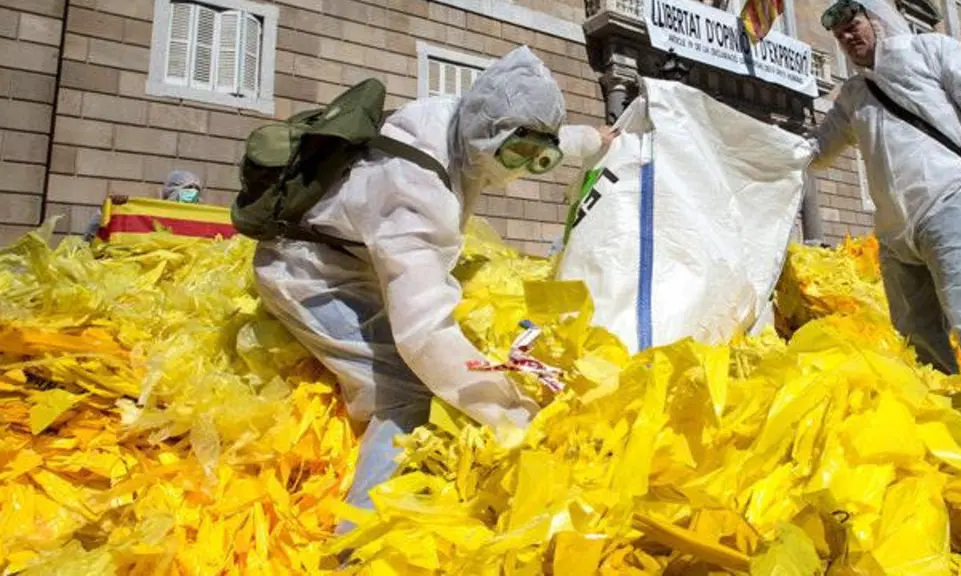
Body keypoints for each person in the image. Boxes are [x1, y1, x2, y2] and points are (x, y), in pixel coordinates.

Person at [252, 46, 611, 528]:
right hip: (307, 271)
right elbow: (424, 336)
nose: (520, 170)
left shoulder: (459, 121)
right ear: (486, 136)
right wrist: (514, 414)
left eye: (538, 160)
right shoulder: (417, 196)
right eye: (516, 156)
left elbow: (531, 135)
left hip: (355, 256)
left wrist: (592, 139)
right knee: (403, 390)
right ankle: (356, 543)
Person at [809, 0, 961, 375]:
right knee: (915, 336)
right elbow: (819, 148)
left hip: (950, 204)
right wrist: (758, 146)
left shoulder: (930, 50)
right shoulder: (853, 94)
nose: (847, 38)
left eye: (853, 26)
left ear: (876, 19)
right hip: (894, 234)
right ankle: (945, 406)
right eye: (839, 35)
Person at [82, 169, 204, 241]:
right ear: (170, 191)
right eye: (187, 187)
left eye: (196, 189)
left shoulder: (202, 221)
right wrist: (110, 209)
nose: (192, 193)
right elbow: (91, 236)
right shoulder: (149, 216)